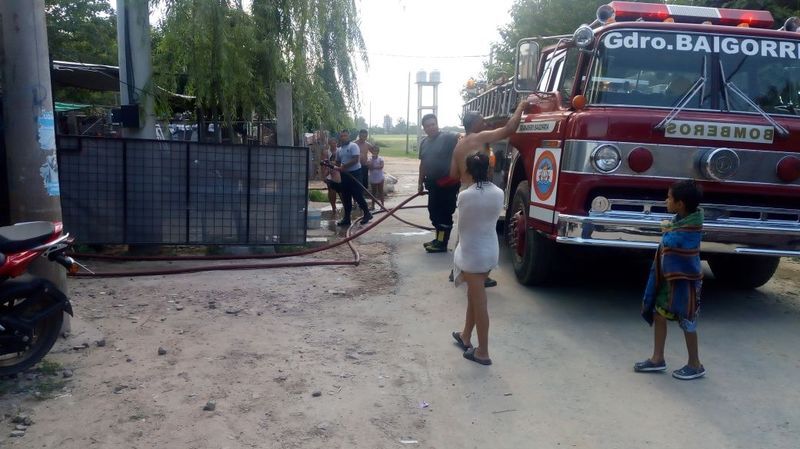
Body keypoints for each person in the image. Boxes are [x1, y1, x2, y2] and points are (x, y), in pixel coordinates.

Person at [449, 100, 527, 287]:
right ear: (475, 124)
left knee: (464, 233)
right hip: (480, 190)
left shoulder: (459, 146)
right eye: (482, 121)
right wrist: (521, 107)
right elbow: (509, 129)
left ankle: (457, 270)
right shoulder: (481, 137)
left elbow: (452, 174)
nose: (485, 124)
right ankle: (481, 273)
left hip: (464, 190)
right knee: (484, 232)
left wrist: (466, 175)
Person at [635, 180, 705, 380]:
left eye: (669, 197)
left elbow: (678, 246)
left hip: (685, 283)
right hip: (669, 281)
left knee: (687, 320)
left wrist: (667, 234)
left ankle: (695, 364)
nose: (666, 200)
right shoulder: (680, 220)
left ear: (680, 204)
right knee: (659, 314)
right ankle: (658, 359)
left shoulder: (690, 228)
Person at [450, 152, 504, 366]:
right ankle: (465, 336)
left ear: (468, 171)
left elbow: (463, 228)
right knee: (474, 296)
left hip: (472, 254)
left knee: (479, 303)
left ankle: (483, 352)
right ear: (489, 170)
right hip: (490, 251)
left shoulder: (465, 195)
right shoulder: (499, 193)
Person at [418, 113, 460, 253]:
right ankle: (438, 239)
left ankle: (442, 243)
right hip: (432, 185)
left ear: (437, 124)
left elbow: (462, 137)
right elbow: (423, 164)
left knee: (444, 215)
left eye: (433, 124)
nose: (431, 127)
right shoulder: (424, 143)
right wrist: (419, 183)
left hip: (447, 184)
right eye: (428, 126)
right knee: (434, 214)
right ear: (424, 128)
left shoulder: (448, 137)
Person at [333, 129, 372, 226]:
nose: (344, 137)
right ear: (340, 137)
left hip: (355, 174)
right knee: (346, 197)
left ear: (348, 136)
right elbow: (337, 162)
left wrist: (344, 166)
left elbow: (356, 159)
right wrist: (332, 165)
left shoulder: (353, 146)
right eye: (342, 136)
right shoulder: (339, 149)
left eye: (345, 135)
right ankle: (347, 218)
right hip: (345, 175)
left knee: (357, 195)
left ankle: (367, 213)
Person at [322, 137, 342, 218]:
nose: (333, 144)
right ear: (329, 144)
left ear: (336, 143)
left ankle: (347, 209)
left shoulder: (340, 151)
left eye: (334, 143)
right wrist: (323, 176)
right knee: (331, 192)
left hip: (339, 174)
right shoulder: (326, 152)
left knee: (342, 193)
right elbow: (323, 164)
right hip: (330, 174)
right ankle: (333, 208)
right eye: (331, 143)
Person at [368, 145, 385, 210]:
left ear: (378, 152)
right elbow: (369, 167)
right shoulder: (369, 158)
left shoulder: (381, 158)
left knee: (381, 191)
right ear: (372, 151)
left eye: (376, 151)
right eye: (373, 151)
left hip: (380, 177)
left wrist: (374, 167)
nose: (375, 152)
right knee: (373, 192)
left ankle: (382, 205)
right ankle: (373, 206)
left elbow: (381, 166)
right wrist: (372, 160)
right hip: (373, 178)